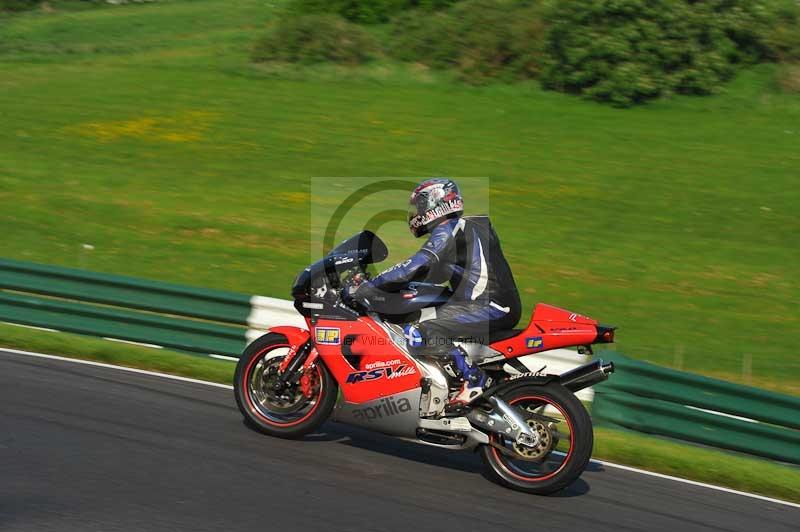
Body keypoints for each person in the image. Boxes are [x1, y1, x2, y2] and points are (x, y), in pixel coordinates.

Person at [352, 178, 521, 408]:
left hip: (489, 306)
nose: (416, 213)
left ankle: (473, 380)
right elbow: (429, 276)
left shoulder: (449, 229)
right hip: (492, 304)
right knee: (424, 314)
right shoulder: (465, 229)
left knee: (422, 331)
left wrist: (372, 286)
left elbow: (417, 265)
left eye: (420, 206)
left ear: (435, 203)